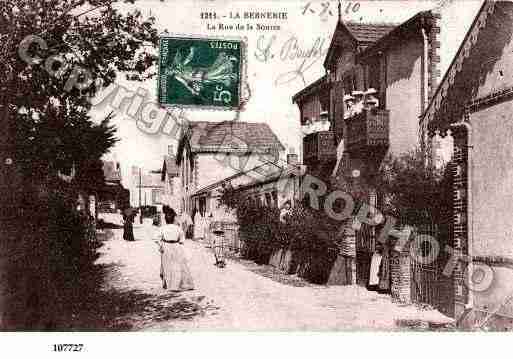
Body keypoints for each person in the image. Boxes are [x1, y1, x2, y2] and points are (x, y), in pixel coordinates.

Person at [155, 206, 194, 291]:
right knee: (177, 266)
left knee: (166, 265)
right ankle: (177, 283)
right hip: (176, 247)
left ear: (165, 220)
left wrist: (160, 245)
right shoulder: (178, 228)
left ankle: (167, 283)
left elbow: (157, 239)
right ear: (173, 219)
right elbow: (182, 240)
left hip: (166, 246)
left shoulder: (162, 228)